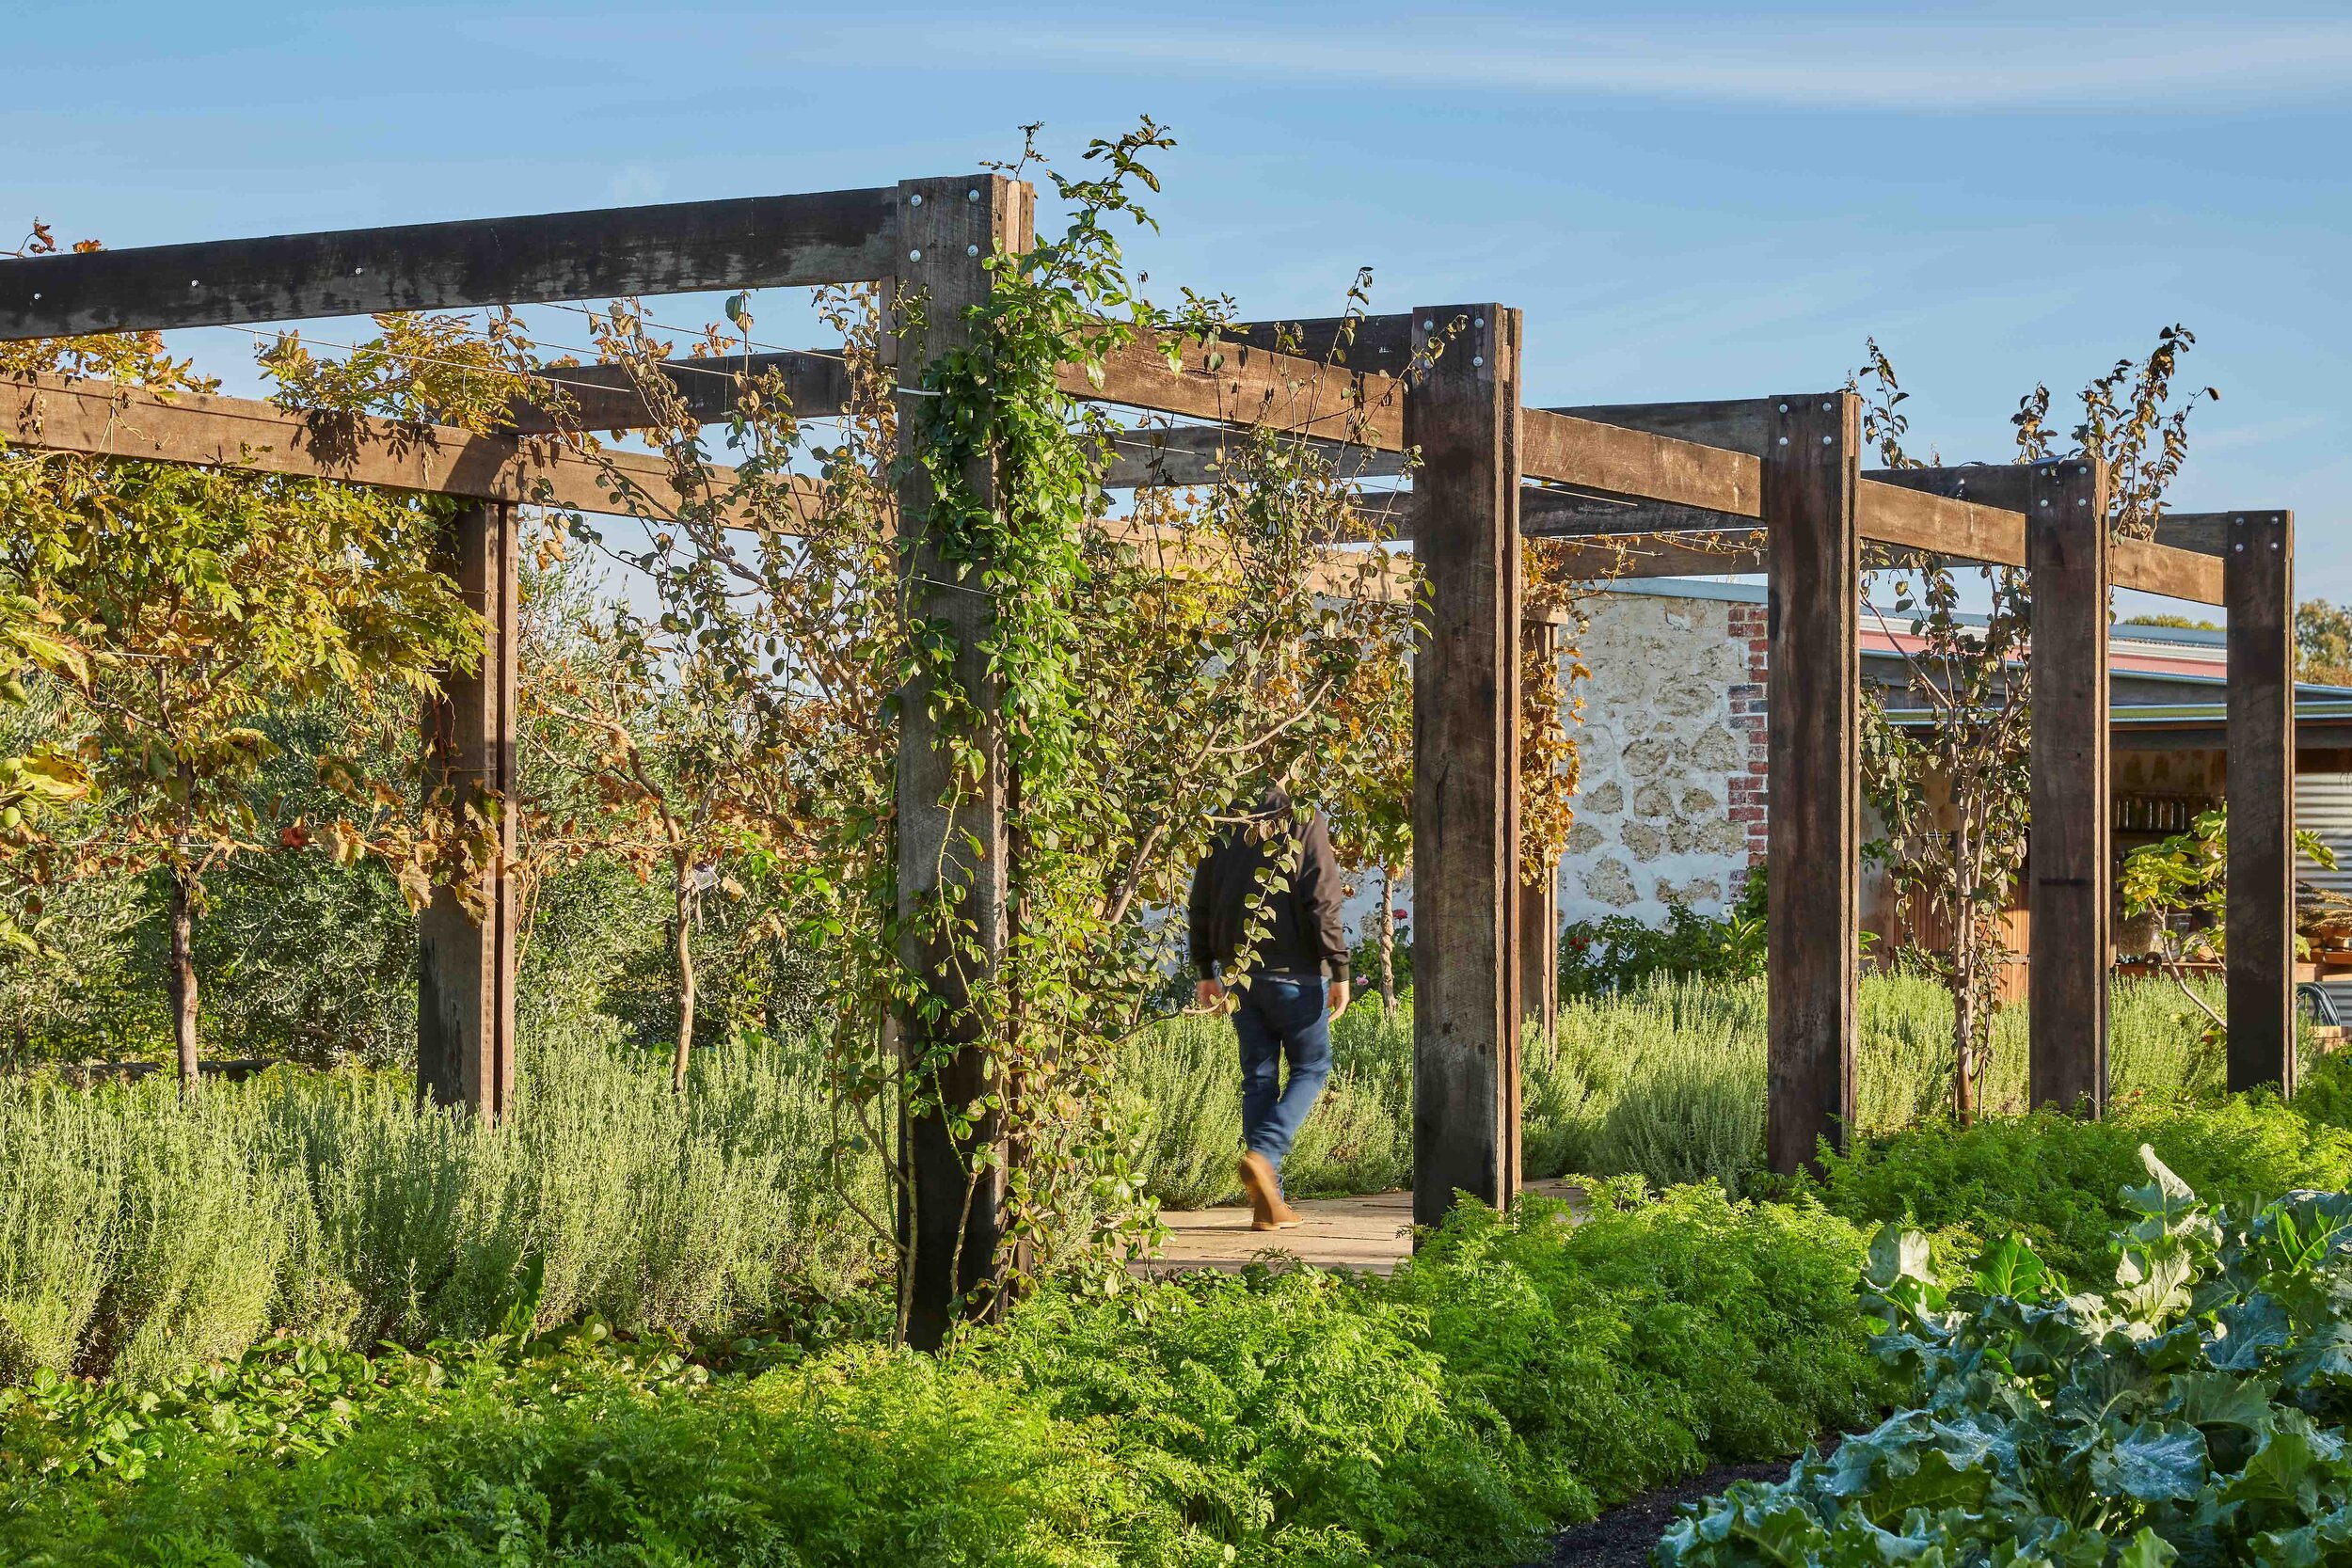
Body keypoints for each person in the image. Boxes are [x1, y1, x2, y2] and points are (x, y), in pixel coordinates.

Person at [1187, 779, 1351, 1231]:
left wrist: (1204, 969)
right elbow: (1322, 897)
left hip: (1241, 975)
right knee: (1312, 1067)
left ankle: (1268, 1205)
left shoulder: (1224, 817)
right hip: (1295, 974)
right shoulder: (1300, 815)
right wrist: (1338, 968)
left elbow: (1200, 900)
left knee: (1258, 1078)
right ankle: (1265, 1154)